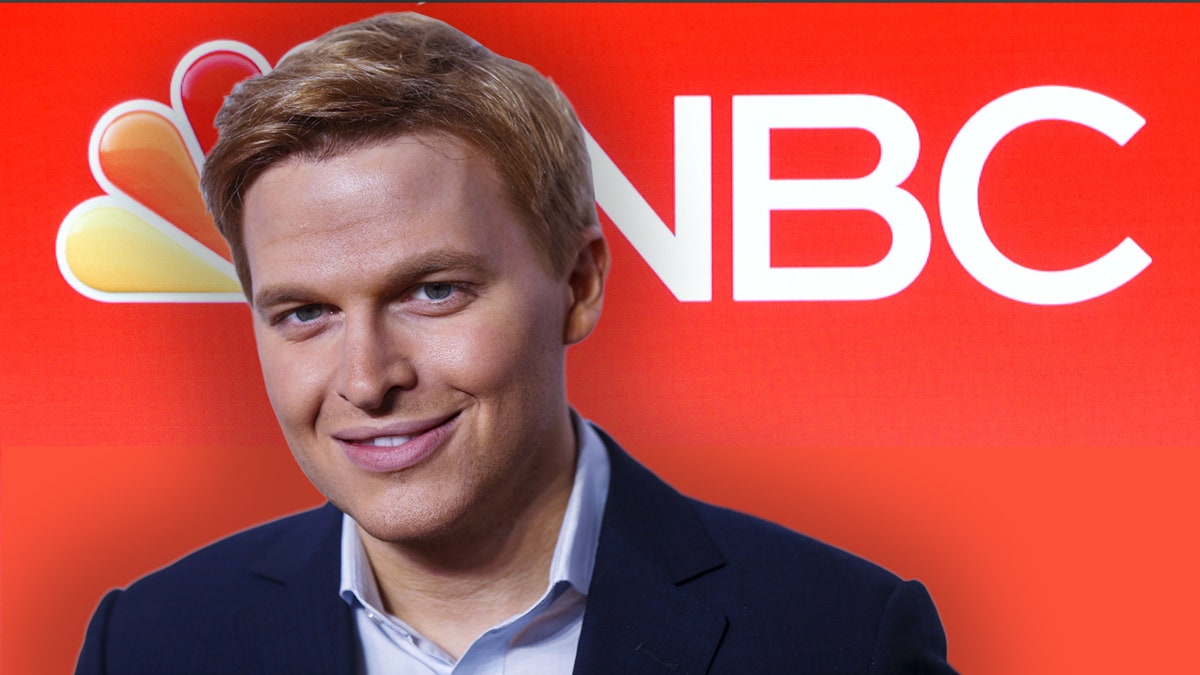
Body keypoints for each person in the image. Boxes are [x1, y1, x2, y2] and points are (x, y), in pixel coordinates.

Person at [76, 12, 956, 674]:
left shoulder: (841, 637)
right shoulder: (152, 641)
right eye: (304, 312)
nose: (367, 378)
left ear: (578, 285)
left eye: (433, 291)